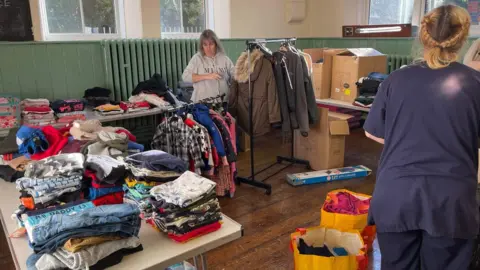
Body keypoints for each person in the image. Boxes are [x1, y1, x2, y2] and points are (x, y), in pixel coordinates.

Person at [364, 5, 480, 270]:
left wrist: (408, 136)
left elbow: (372, 131)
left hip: (396, 196)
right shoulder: (475, 83)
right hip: (449, 202)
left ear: (424, 35)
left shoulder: (395, 80)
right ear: (462, 39)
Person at [182, 29, 235, 102]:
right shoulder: (197, 59)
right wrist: (207, 76)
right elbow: (185, 77)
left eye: (211, 44)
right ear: (202, 46)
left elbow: (235, 76)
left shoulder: (224, 58)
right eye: (205, 44)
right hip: (203, 103)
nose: (208, 48)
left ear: (216, 44)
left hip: (223, 101)